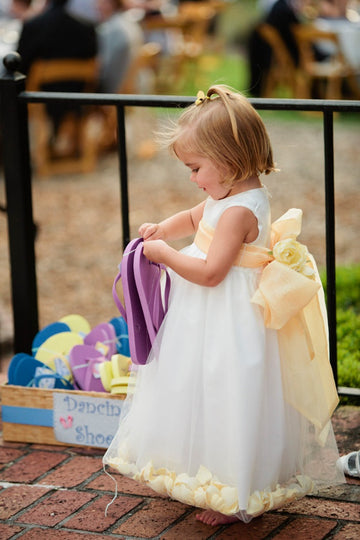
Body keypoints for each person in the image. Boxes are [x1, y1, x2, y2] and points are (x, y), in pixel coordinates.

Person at [103, 85, 345, 526]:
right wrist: (164, 228)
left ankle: (237, 492)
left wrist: (165, 256)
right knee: (198, 384)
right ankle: (201, 471)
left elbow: (213, 272)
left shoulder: (239, 211)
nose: (193, 178)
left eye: (196, 168)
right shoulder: (225, 196)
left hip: (228, 314)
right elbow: (195, 217)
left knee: (228, 389)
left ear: (230, 165)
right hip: (206, 313)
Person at [16, 0, 97, 133]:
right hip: (78, 96)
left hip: (39, 98)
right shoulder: (87, 28)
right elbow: (94, 61)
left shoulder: (34, 25)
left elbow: (20, 65)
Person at [96, 0, 144, 93]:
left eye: (101, 2)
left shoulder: (111, 29)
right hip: (129, 85)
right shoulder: (129, 23)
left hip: (113, 89)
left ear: (111, 3)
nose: (97, 6)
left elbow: (102, 68)